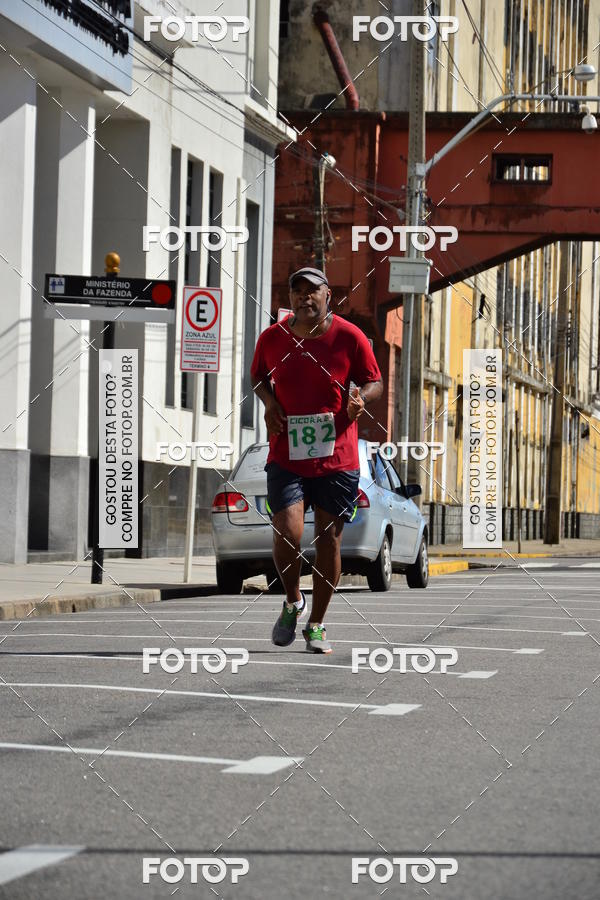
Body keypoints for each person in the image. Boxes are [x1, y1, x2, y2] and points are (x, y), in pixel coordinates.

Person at [250, 266, 383, 653]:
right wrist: (269, 403)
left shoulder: (349, 337)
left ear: (328, 296)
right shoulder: (273, 338)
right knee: (287, 532)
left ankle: (318, 624)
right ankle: (293, 600)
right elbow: (258, 376)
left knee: (330, 541)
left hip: (337, 455)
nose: (304, 297)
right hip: (286, 452)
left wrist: (362, 399)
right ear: (289, 297)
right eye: (297, 291)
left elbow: (374, 381)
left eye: (312, 291)